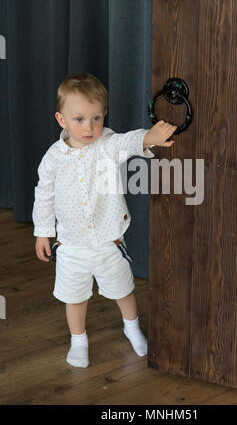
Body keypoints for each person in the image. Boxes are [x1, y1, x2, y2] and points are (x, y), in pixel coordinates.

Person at [32, 73, 177, 368]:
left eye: (96, 118)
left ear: (104, 115)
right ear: (62, 120)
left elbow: (130, 142)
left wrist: (151, 138)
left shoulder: (107, 145)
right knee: (75, 297)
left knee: (123, 289)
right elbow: (43, 195)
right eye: (80, 119)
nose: (89, 127)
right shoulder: (53, 158)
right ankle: (78, 339)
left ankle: (132, 327)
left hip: (109, 238)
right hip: (70, 244)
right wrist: (43, 233)